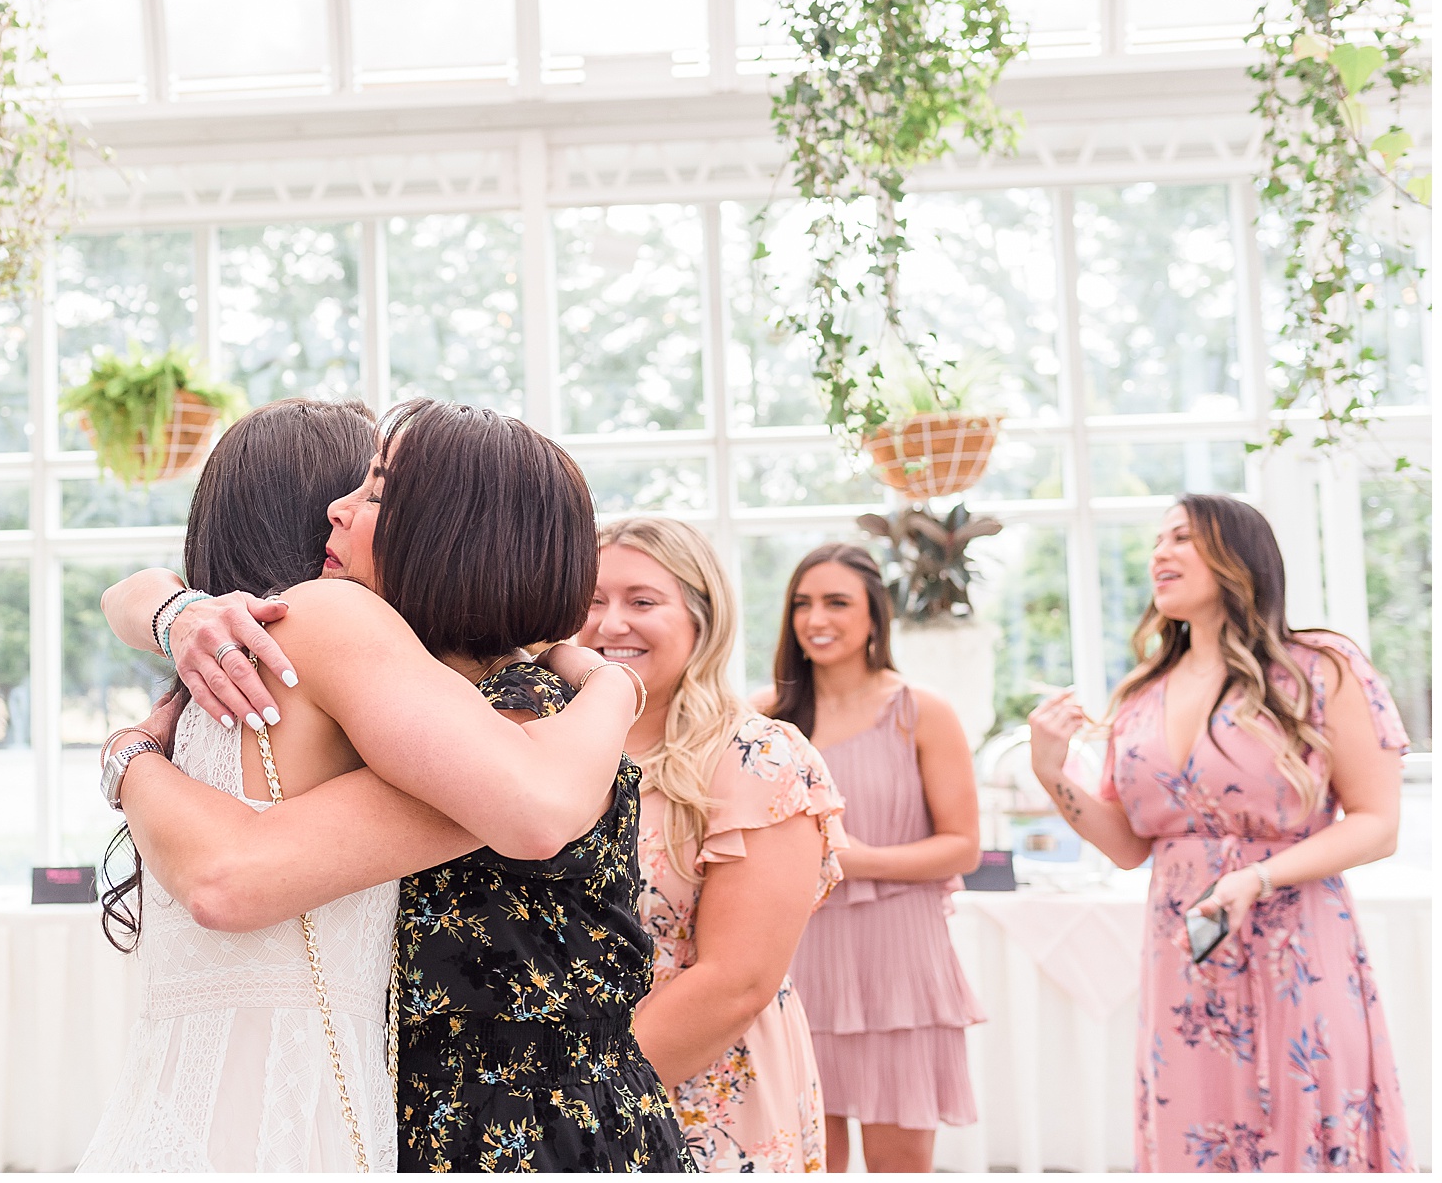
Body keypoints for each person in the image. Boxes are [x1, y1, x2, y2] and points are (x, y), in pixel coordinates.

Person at [97, 398, 691, 1173]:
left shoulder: (503, 718)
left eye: (375, 493)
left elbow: (226, 876)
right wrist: (163, 612)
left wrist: (130, 741)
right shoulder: (357, 670)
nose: (340, 514)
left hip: (514, 1135)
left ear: (447, 528)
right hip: (388, 1115)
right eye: (357, 486)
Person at [1029, 494, 1410, 1172]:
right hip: (1186, 964)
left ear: (1238, 557)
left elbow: (1379, 826)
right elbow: (1126, 848)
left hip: (1296, 947)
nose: (1159, 554)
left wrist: (1255, 877)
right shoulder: (1142, 693)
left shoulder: (1319, 669)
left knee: (1301, 1122)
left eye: (1182, 538)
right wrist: (1051, 771)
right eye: (1156, 541)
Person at [581, 517, 847, 1172]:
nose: (612, 624)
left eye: (642, 602)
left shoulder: (756, 758)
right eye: (591, 602)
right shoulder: (547, 741)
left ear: (703, 618)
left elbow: (737, 981)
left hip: (698, 1094)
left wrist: (579, 1106)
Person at [751, 543, 984, 1174]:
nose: (815, 618)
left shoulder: (921, 712)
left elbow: (962, 846)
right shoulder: (763, 717)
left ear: (874, 616)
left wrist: (847, 858)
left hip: (902, 964)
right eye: (802, 603)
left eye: (836, 602)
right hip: (795, 956)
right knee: (807, 1160)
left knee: (900, 1162)